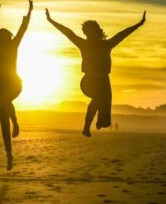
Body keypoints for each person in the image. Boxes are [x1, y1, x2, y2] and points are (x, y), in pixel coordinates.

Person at [46, 8, 145, 137]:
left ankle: (99, 122)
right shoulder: (83, 44)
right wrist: (51, 20)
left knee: (105, 118)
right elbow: (67, 32)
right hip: (89, 81)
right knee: (98, 98)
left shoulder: (107, 44)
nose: (88, 34)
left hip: (104, 81)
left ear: (97, 31)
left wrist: (139, 23)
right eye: (86, 32)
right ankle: (86, 127)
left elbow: (122, 34)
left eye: (90, 31)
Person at [0, 0, 32, 169]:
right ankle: (9, 154)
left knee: (5, 102)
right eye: (1, 35)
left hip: (14, 83)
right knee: (3, 122)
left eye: (6, 34)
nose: (4, 36)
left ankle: (15, 120)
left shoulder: (13, 46)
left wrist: (29, 14)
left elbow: (22, 31)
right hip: (0, 87)